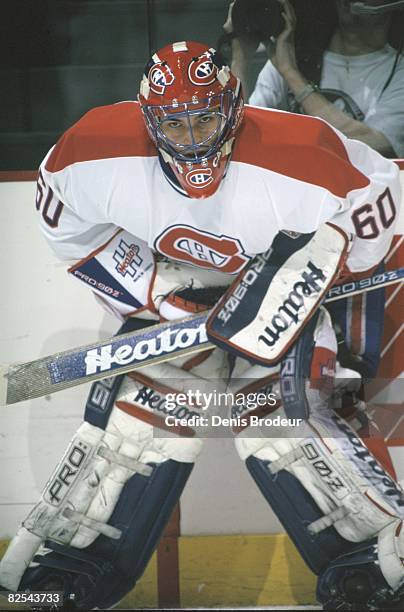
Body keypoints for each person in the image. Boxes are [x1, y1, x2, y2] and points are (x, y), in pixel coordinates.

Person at [0, 40, 403, 610]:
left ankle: (373, 566)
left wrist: (301, 280)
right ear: (148, 118)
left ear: (234, 108)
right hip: (173, 288)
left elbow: (376, 220)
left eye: (205, 119)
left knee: (278, 415)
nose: (191, 138)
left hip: (283, 279)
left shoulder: (302, 155)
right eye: (174, 123)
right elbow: (66, 226)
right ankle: (68, 569)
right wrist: (157, 295)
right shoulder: (91, 150)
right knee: (140, 418)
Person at [227, 0, 404, 158]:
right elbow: (239, 131)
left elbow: (376, 145)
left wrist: (291, 73)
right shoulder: (293, 56)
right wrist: (240, 61)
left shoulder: (398, 71)